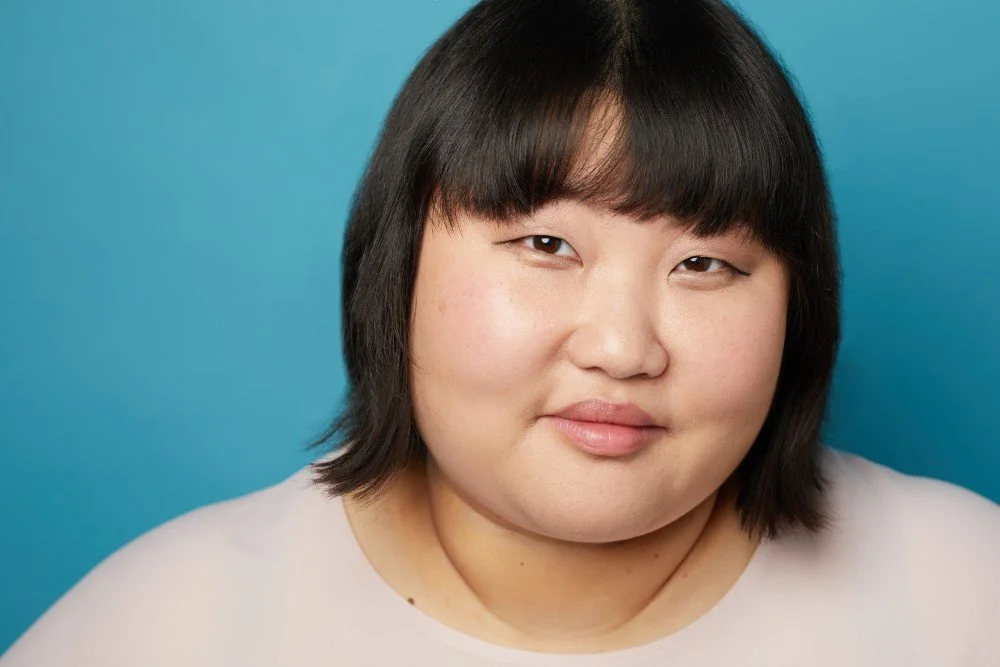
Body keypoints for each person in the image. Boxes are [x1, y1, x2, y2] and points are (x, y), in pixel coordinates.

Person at [3, 0, 999, 665]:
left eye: (705, 264)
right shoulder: (166, 629)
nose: (621, 347)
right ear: (398, 269)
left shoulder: (965, 592)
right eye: (545, 243)